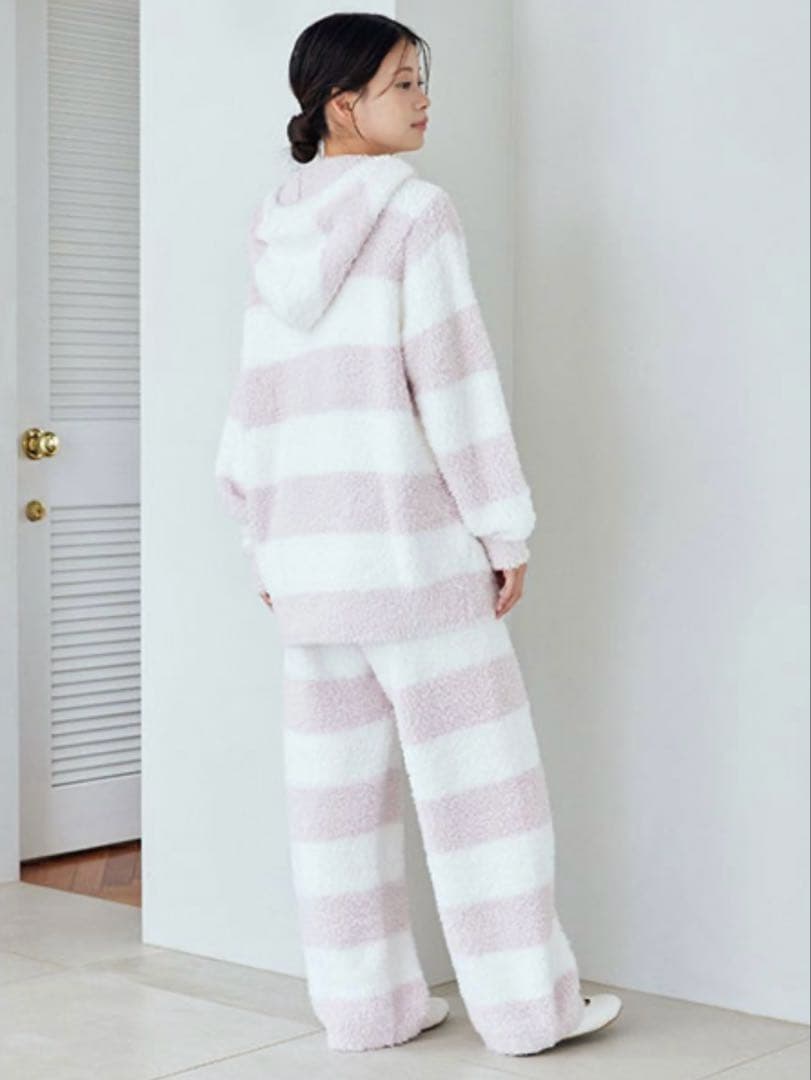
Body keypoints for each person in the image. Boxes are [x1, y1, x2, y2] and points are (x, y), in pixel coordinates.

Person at [214, 11, 622, 1056]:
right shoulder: (414, 212)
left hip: (307, 564)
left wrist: (263, 538)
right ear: (341, 104)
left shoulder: (275, 226)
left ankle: (367, 1010)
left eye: (420, 78)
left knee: (336, 806)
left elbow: (254, 402)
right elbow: (453, 383)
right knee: (483, 796)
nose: (424, 98)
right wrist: (502, 529)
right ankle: (528, 1011)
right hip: (412, 560)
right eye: (402, 82)